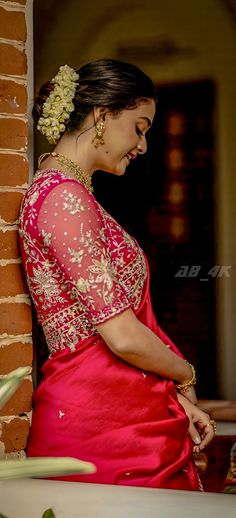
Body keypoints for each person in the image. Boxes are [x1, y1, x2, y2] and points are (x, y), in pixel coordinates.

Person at [19, 59, 215, 490]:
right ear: (102, 115)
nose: (143, 145)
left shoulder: (71, 196)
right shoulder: (62, 199)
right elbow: (122, 335)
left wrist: (174, 399)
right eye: (140, 127)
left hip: (116, 412)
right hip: (100, 424)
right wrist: (185, 374)